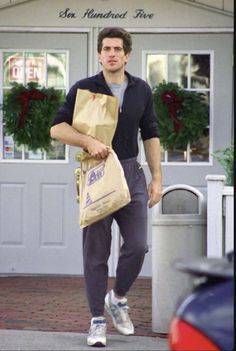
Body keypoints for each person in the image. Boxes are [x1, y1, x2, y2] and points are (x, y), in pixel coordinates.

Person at [50, 27, 162, 348]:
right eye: (106, 49)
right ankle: (97, 319)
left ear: (127, 55)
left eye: (117, 49)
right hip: (97, 173)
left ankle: (119, 297)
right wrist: (87, 140)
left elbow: (150, 133)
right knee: (96, 251)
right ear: (99, 54)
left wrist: (157, 178)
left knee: (138, 245)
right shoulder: (84, 88)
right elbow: (58, 128)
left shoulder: (141, 89)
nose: (112, 54)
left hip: (131, 171)